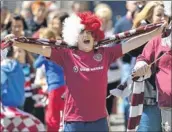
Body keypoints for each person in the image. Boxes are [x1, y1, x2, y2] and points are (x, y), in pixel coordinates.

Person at [4, 11, 165, 131]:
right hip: (73, 122)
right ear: (74, 36)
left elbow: (132, 43)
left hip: (99, 121)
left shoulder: (105, 53)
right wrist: (17, 43)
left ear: (96, 35)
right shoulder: (66, 54)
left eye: (90, 32)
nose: (87, 35)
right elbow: (41, 48)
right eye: (82, 32)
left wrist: (155, 33)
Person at [129, 1, 165, 131]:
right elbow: (130, 50)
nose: (163, 18)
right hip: (148, 98)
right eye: (158, 15)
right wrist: (147, 34)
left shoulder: (168, 36)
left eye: (164, 15)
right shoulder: (143, 35)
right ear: (149, 18)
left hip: (167, 99)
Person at [0, 43, 45, 131]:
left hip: (6, 103)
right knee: (19, 126)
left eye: (20, 51)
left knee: (7, 126)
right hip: (19, 101)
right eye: (16, 51)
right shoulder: (19, 68)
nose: (18, 54)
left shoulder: (4, 67)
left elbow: (2, 84)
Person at [34, 28, 66, 131]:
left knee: (52, 116)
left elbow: (36, 64)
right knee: (64, 113)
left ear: (51, 39)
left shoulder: (46, 53)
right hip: (65, 86)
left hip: (54, 87)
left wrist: (42, 52)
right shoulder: (60, 50)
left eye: (43, 40)